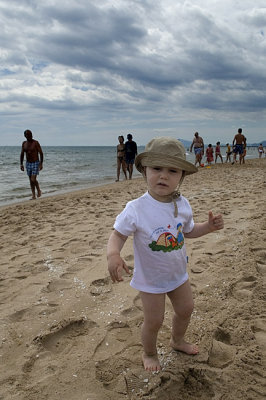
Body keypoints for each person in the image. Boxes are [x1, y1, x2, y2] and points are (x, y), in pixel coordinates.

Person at [107, 137, 224, 372]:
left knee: (186, 309)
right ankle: (149, 353)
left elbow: (188, 232)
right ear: (144, 171)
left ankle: (177, 340)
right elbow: (118, 234)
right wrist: (113, 254)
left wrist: (208, 227)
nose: (163, 176)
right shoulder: (136, 208)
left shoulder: (182, 204)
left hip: (178, 274)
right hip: (150, 279)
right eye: (157, 169)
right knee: (154, 320)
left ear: (181, 175)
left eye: (172, 170)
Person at [20, 129, 43, 200]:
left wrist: (41, 163)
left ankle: (39, 190)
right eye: (27, 134)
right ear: (25, 136)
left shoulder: (35, 143)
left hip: (35, 162)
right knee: (30, 180)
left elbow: (41, 153)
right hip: (28, 163)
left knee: (33, 179)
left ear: (32, 134)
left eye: (30, 134)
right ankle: (33, 195)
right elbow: (22, 154)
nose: (29, 135)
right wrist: (21, 164)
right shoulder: (24, 143)